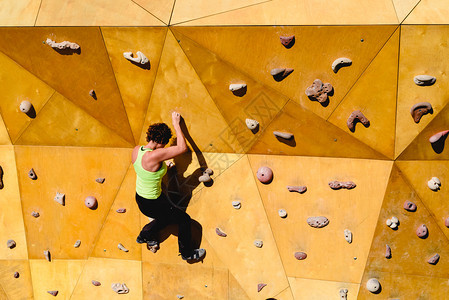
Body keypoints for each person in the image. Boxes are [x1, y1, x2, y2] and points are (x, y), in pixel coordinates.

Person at [132, 111, 205, 261]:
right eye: (164, 145)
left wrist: (162, 166)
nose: (163, 148)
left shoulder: (137, 150)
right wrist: (176, 124)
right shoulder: (153, 156)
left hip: (140, 197)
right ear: (160, 142)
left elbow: (146, 169)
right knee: (184, 219)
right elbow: (181, 148)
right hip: (153, 202)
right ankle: (187, 253)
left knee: (165, 218)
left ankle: (144, 236)